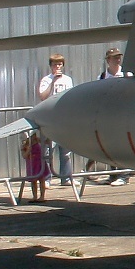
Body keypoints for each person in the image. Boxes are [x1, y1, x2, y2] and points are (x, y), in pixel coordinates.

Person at [87, 46, 134, 184]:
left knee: (122, 146)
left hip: (123, 116)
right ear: (108, 60)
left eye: (119, 57)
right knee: (110, 146)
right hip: (108, 117)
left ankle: (124, 176)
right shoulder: (102, 77)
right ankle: (113, 174)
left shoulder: (127, 75)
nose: (118, 59)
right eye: (114, 57)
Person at [36, 53, 74, 185]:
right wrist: (53, 82)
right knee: (47, 150)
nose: (57, 67)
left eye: (59, 64)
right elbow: (42, 96)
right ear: (50, 66)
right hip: (50, 118)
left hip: (64, 117)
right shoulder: (46, 80)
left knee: (65, 150)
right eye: (54, 64)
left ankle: (66, 178)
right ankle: (46, 179)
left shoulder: (68, 80)